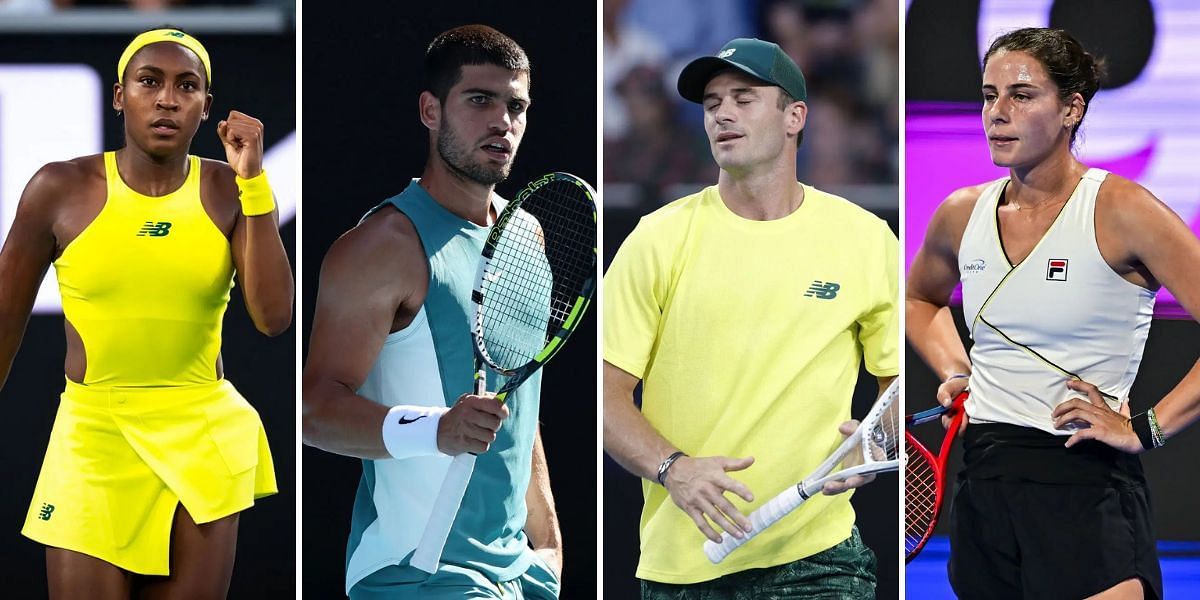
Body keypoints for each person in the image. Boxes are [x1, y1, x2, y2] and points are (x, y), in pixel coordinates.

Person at [907, 27, 1200, 600]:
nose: (998, 113)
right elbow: (921, 300)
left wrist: (1149, 428)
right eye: (989, 95)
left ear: (1071, 109)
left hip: (1088, 491)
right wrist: (957, 372)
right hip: (985, 488)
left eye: (1021, 95)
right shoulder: (960, 213)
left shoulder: (1124, 209)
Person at [0, 28, 293, 598]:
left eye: (187, 87)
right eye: (149, 82)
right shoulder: (58, 187)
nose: (167, 99)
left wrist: (253, 181)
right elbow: (5, 317)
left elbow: (273, 316)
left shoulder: (232, 189)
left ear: (205, 108)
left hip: (202, 432)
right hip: (93, 435)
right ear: (120, 96)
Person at [603, 37, 898, 598]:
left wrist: (876, 442)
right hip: (682, 566)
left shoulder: (864, 238)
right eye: (712, 103)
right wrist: (673, 469)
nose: (723, 114)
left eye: (744, 97)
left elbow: (896, 386)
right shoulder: (657, 239)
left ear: (795, 117)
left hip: (819, 558)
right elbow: (603, 396)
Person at [301, 24, 562, 600]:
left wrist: (548, 547)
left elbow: (518, 402)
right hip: (417, 575)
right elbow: (312, 411)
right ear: (430, 110)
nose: (502, 122)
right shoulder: (381, 246)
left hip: (520, 574)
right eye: (479, 100)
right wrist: (437, 428)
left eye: (516, 106)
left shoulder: (528, 236)